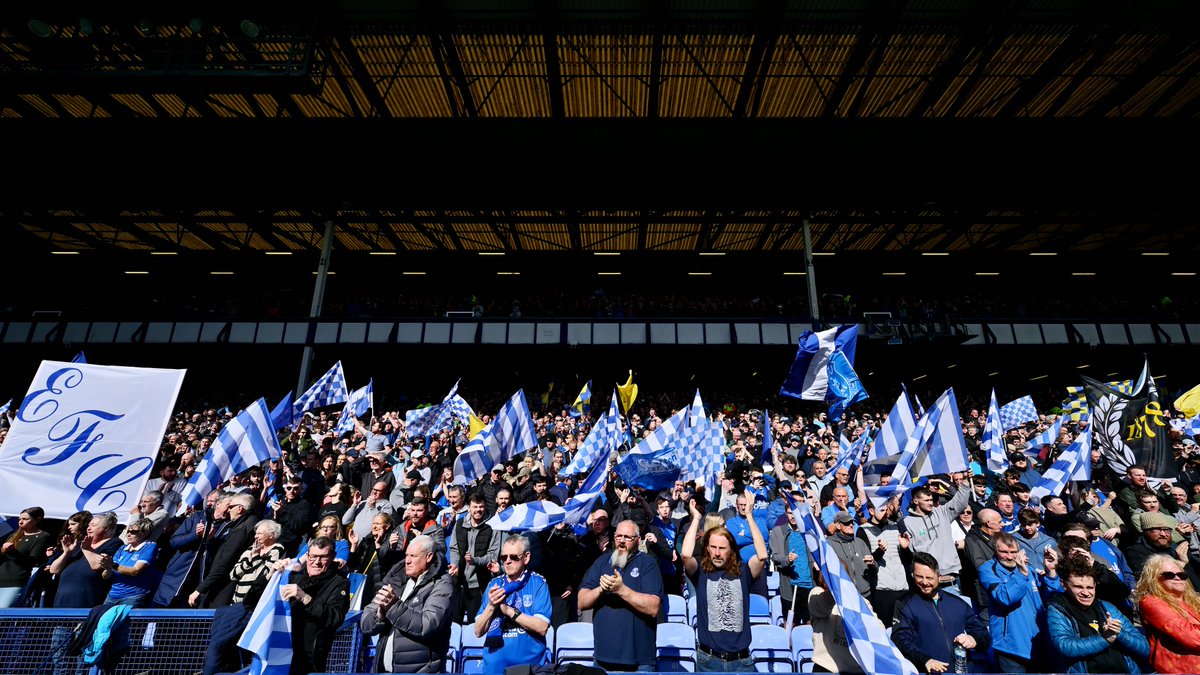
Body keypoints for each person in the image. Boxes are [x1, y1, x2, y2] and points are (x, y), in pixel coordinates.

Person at [680, 492, 767, 672]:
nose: (717, 553)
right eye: (713, 547)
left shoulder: (744, 571)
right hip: (708, 661)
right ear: (707, 549)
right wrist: (696, 518)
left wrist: (750, 516)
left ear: (731, 550)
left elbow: (762, 555)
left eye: (722, 548)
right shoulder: (701, 573)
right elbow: (686, 554)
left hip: (741, 662)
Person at [360, 534, 459, 673]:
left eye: (413, 556)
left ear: (429, 557)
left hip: (422, 670)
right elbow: (365, 623)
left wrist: (393, 607)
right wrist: (380, 615)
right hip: (382, 669)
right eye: (406, 555)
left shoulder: (442, 584)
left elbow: (427, 624)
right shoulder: (396, 578)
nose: (407, 561)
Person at [578, 519, 664, 671]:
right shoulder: (602, 562)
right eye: (618, 536)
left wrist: (622, 590)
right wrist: (600, 589)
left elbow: (653, 607)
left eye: (627, 537)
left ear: (638, 540)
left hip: (639, 662)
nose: (622, 541)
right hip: (602, 659)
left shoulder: (647, 564)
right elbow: (582, 602)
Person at [977, 531, 1063, 672]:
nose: (1010, 557)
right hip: (1011, 647)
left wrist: (1051, 572)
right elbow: (1005, 598)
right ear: (994, 551)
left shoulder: (1028, 569)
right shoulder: (987, 569)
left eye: (1013, 552)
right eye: (1004, 552)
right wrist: (1021, 574)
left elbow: (1053, 596)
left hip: (1039, 642)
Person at [893, 552, 990, 674]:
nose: (924, 582)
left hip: (961, 670)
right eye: (919, 577)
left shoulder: (957, 603)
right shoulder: (904, 604)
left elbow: (984, 635)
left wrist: (974, 639)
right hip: (927, 671)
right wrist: (925, 660)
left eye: (929, 578)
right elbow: (900, 640)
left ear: (939, 577)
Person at [1046, 559, 1148, 673]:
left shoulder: (1106, 607)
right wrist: (1105, 639)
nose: (1086, 593)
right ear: (1063, 584)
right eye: (1078, 587)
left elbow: (1144, 647)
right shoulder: (1058, 608)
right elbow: (1065, 647)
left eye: (1090, 587)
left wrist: (1119, 634)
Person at [473, 534, 552, 674]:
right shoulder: (494, 584)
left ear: (526, 558)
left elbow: (542, 627)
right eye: (504, 557)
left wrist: (509, 611)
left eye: (513, 557)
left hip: (528, 667)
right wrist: (491, 606)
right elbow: (478, 631)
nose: (507, 561)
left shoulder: (538, 583)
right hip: (494, 667)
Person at [280, 537, 351, 675]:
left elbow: (335, 618)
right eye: (313, 556)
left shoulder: (340, 583)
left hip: (309, 659)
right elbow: (251, 602)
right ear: (306, 556)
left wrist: (305, 598)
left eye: (323, 557)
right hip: (281, 651)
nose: (316, 562)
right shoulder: (294, 577)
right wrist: (270, 575)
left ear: (333, 557)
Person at [903, 478, 971, 595]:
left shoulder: (941, 512)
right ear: (915, 501)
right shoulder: (907, 522)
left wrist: (965, 482)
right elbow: (912, 551)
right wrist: (906, 547)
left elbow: (961, 502)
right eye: (926, 500)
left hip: (951, 579)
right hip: (927, 580)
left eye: (931, 500)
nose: (930, 503)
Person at [190, 493, 259, 607]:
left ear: (240, 508)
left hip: (224, 587)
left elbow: (224, 564)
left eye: (231, 507)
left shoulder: (242, 530)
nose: (228, 510)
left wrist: (199, 590)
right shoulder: (249, 523)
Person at [1136, 554, 1200, 672]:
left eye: (1181, 575)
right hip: (1181, 669)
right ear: (1153, 578)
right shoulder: (1151, 602)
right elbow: (1192, 638)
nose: (1177, 578)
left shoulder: (1194, 600)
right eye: (1169, 575)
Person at [50, 512, 121, 608]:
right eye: (88, 525)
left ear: (106, 528)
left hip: (86, 599)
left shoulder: (114, 542)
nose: (88, 528)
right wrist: (67, 553)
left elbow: (96, 566)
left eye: (93, 525)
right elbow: (54, 570)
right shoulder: (79, 544)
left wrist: (87, 549)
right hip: (62, 598)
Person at [449, 493, 500, 622]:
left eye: (481, 507)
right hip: (459, 583)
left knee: (475, 623)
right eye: (475, 507)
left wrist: (475, 560)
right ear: (469, 508)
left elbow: (493, 555)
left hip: (479, 584)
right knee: (454, 624)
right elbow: (454, 548)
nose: (478, 510)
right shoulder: (460, 524)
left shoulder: (493, 526)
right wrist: (454, 564)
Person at [98, 517, 162, 607]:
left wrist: (112, 565)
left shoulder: (150, 546)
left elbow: (134, 571)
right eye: (128, 531)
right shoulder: (122, 548)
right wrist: (107, 567)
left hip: (133, 597)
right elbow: (106, 576)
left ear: (145, 533)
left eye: (133, 532)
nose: (128, 534)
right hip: (112, 595)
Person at [0, 506, 53, 607]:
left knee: (4, 614)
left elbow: (32, 561)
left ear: (37, 520)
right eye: (19, 519)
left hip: (15, 583)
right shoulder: (14, 536)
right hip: (1, 578)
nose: (20, 522)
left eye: (25, 519)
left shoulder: (43, 537)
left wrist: (12, 552)